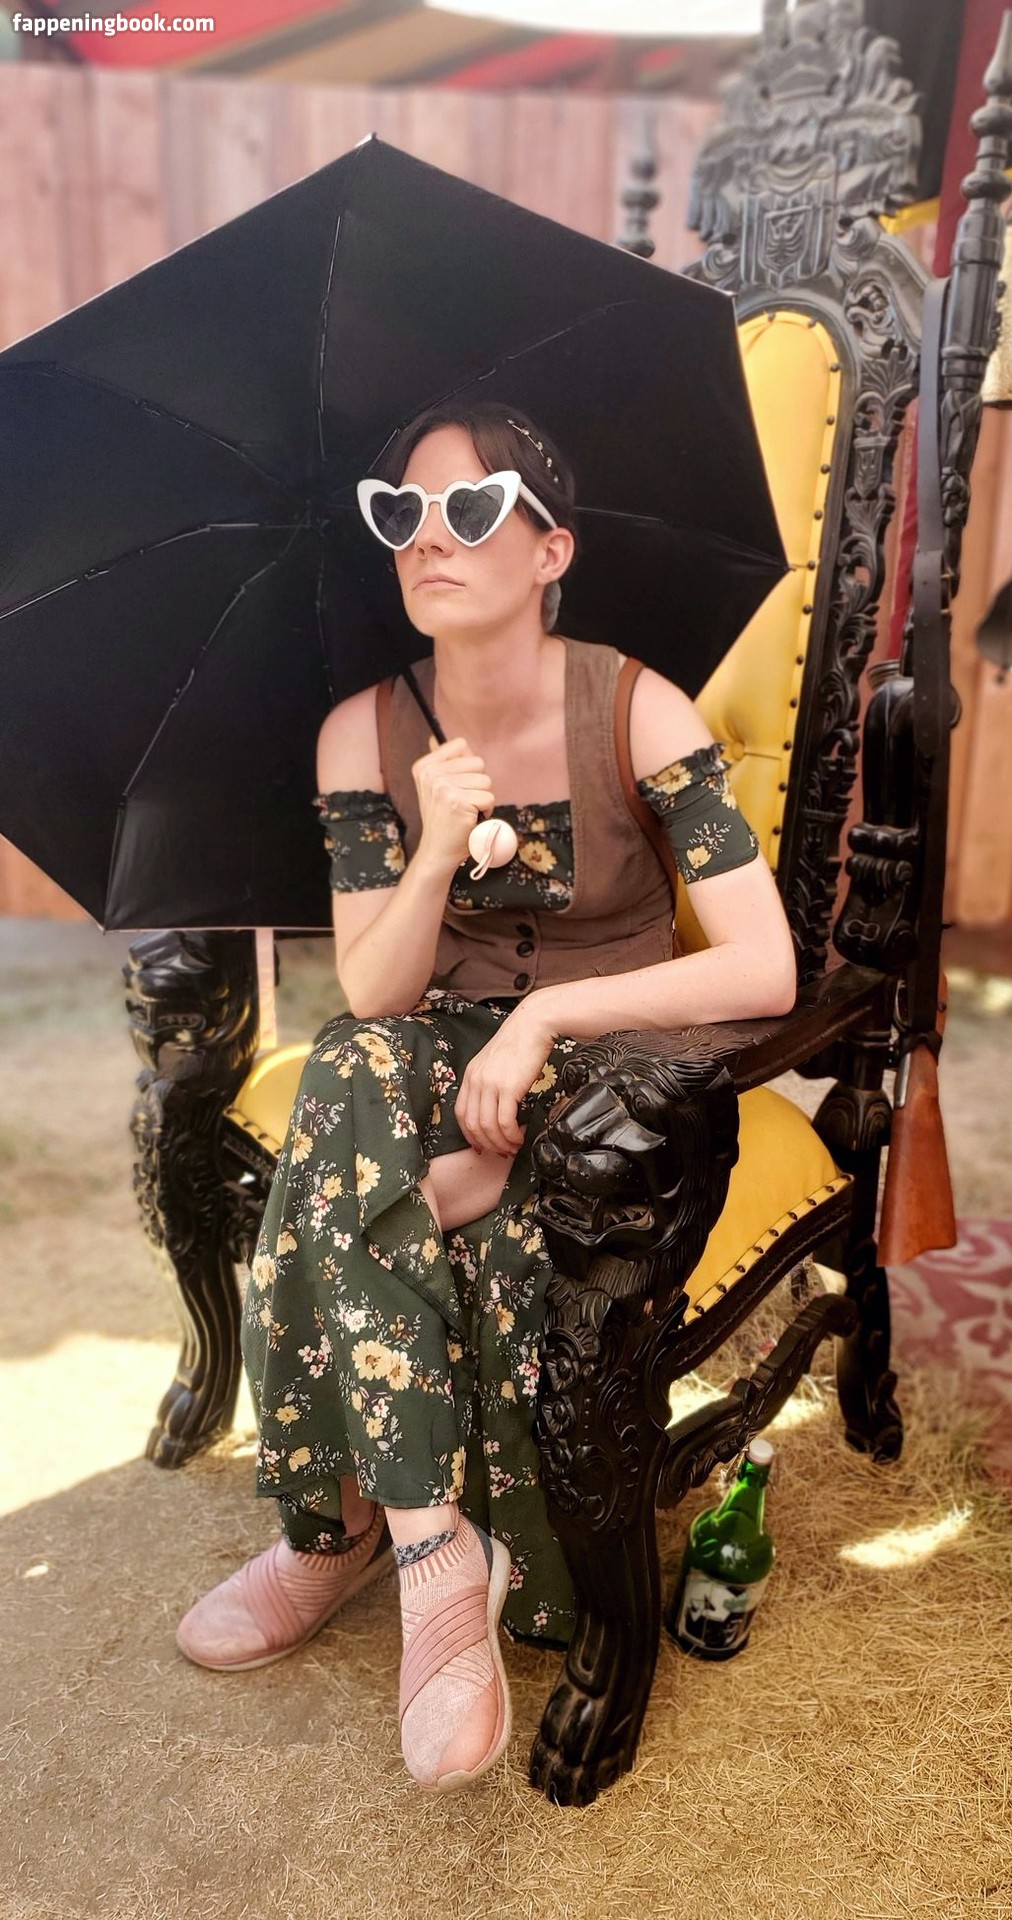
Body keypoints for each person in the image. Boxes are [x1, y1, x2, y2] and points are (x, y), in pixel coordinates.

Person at [176, 400, 796, 1794]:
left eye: (468, 509)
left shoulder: (637, 709)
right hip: (431, 1048)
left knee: (350, 1194)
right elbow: (374, 990)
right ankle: (426, 1545)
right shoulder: (362, 733)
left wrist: (548, 1016)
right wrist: (435, 842)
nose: (427, 538)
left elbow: (764, 964)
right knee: (347, 1069)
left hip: (616, 1061)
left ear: (550, 547)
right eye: (400, 513)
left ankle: (329, 1529)